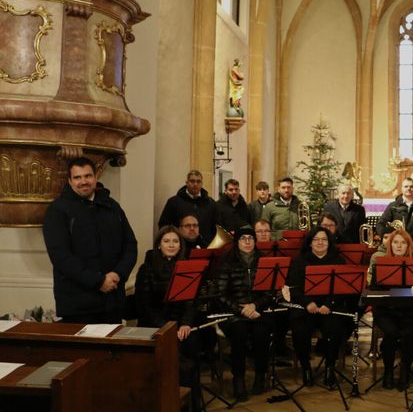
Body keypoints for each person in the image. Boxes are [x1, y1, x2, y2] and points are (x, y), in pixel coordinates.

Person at [43, 157, 137, 324]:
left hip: (112, 300)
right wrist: (98, 281)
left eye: (88, 176)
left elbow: (130, 245)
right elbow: (61, 257)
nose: (83, 181)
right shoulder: (58, 210)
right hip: (78, 304)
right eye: (78, 177)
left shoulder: (112, 206)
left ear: (96, 177)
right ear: (70, 181)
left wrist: (118, 274)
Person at [135, 226, 202, 410]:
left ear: (180, 246)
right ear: (158, 245)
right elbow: (145, 306)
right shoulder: (146, 269)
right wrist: (168, 328)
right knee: (179, 360)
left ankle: (192, 404)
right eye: (166, 241)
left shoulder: (187, 267)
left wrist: (186, 323)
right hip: (155, 326)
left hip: (181, 326)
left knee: (193, 346)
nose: (171, 245)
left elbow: (191, 301)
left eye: (175, 241)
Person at [287, 227, 354, 389]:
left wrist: (328, 304)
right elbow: (293, 289)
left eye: (324, 239)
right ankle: (306, 368)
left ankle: (330, 368)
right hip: (306, 308)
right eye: (316, 239)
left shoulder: (338, 261)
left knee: (334, 328)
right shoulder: (299, 261)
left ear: (329, 242)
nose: (320, 242)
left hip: (329, 308)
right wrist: (307, 303)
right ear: (309, 243)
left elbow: (342, 289)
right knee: (300, 329)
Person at [215, 226, 273, 401]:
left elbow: (270, 291)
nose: (247, 242)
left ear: (255, 241)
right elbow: (220, 294)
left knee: (261, 333)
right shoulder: (226, 262)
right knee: (239, 333)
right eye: (243, 238)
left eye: (251, 238)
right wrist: (241, 309)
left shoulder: (264, 260)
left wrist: (255, 305)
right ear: (237, 242)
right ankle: (238, 380)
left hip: (258, 310)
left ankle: (260, 376)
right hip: (233, 312)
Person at [368, 229, 413, 391]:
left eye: (403, 242)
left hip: (411, 310)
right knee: (390, 333)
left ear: (409, 246)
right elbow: (374, 290)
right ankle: (388, 371)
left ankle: (405, 370)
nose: (399, 246)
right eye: (396, 242)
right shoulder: (381, 262)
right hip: (386, 311)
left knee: (408, 334)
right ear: (390, 245)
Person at [158, 170, 218, 246]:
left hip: (204, 246)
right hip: (180, 247)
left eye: (198, 181)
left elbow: (216, 227)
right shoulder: (173, 202)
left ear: (202, 184)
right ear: (187, 183)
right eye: (192, 181)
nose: (195, 184)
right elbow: (164, 225)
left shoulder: (211, 203)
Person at [376, 177, 413, 241]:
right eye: (406, 186)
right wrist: (385, 237)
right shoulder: (393, 206)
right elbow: (380, 224)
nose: (409, 188)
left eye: (411, 186)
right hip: (397, 244)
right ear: (402, 188)